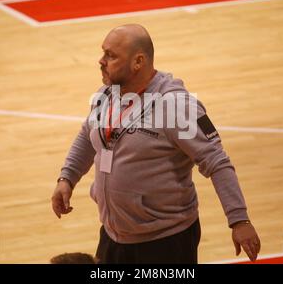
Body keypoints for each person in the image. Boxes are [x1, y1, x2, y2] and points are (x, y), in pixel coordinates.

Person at [51, 24, 261, 263]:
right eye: (103, 53)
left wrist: (239, 220)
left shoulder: (175, 106)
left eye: (111, 55)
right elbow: (87, 135)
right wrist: (67, 178)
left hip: (165, 243)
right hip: (113, 236)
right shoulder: (106, 95)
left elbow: (217, 162)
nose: (101, 61)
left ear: (138, 61)